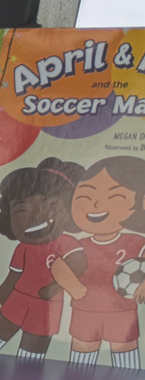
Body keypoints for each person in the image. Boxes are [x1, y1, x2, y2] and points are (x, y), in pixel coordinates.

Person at [0, 160, 80, 357]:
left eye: (49, 206)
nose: (35, 217)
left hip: (47, 305)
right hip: (18, 297)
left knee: (33, 348)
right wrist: (4, 289)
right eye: (21, 210)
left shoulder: (67, 243)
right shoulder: (22, 248)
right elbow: (15, 272)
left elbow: (77, 265)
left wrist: (55, 287)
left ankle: (27, 375)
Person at [51, 156, 145, 367]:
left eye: (115, 196)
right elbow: (58, 265)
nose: (96, 204)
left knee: (125, 355)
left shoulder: (136, 242)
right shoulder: (78, 243)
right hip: (85, 310)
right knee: (82, 352)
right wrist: (73, 287)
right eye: (85, 195)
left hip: (122, 312)